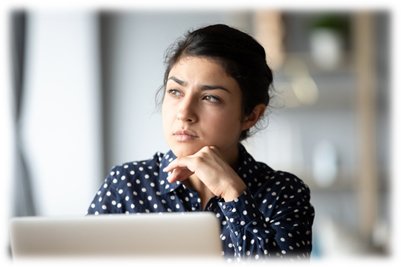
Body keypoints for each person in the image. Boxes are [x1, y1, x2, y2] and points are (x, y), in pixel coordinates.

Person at [87, 24, 315, 260]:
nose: (184, 112)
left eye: (210, 97)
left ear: (250, 116)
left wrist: (233, 193)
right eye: (176, 91)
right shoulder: (126, 185)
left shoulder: (283, 193)